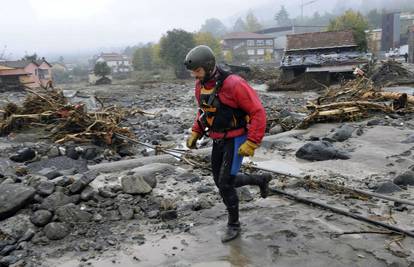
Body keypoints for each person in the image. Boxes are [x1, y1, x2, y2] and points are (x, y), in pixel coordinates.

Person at [184, 45, 272, 243]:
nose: (194, 76)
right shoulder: (200, 85)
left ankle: (234, 224)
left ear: (209, 66)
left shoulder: (234, 84)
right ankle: (260, 180)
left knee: (225, 183)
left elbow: (258, 112)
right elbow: (205, 111)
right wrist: (196, 131)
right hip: (217, 138)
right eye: (192, 72)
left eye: (197, 71)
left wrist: (252, 141)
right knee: (222, 181)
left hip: (236, 138)